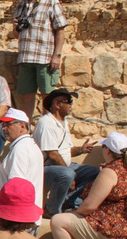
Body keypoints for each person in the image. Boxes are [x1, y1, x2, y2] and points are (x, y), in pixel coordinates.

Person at [10, 0, 67, 119]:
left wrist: (57, 55)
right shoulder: (21, 5)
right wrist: (15, 27)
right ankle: (26, 128)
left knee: (48, 97)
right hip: (25, 57)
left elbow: (60, 30)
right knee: (26, 96)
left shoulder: (51, 1)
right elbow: (16, 35)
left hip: (44, 58)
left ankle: (47, 128)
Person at [33, 88, 98, 216]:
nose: (71, 105)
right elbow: (53, 155)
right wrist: (71, 177)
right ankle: (51, 210)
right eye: (68, 101)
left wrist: (81, 150)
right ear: (57, 104)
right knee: (67, 174)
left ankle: (70, 202)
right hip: (45, 169)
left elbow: (65, 151)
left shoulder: (64, 123)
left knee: (95, 172)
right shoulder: (46, 123)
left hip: (62, 167)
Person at [0, 108, 45, 228]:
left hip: (17, 221)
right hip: (26, 218)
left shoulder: (20, 149)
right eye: (3, 125)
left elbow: (15, 187)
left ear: (22, 126)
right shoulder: (28, 146)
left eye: (8, 124)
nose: (3, 128)